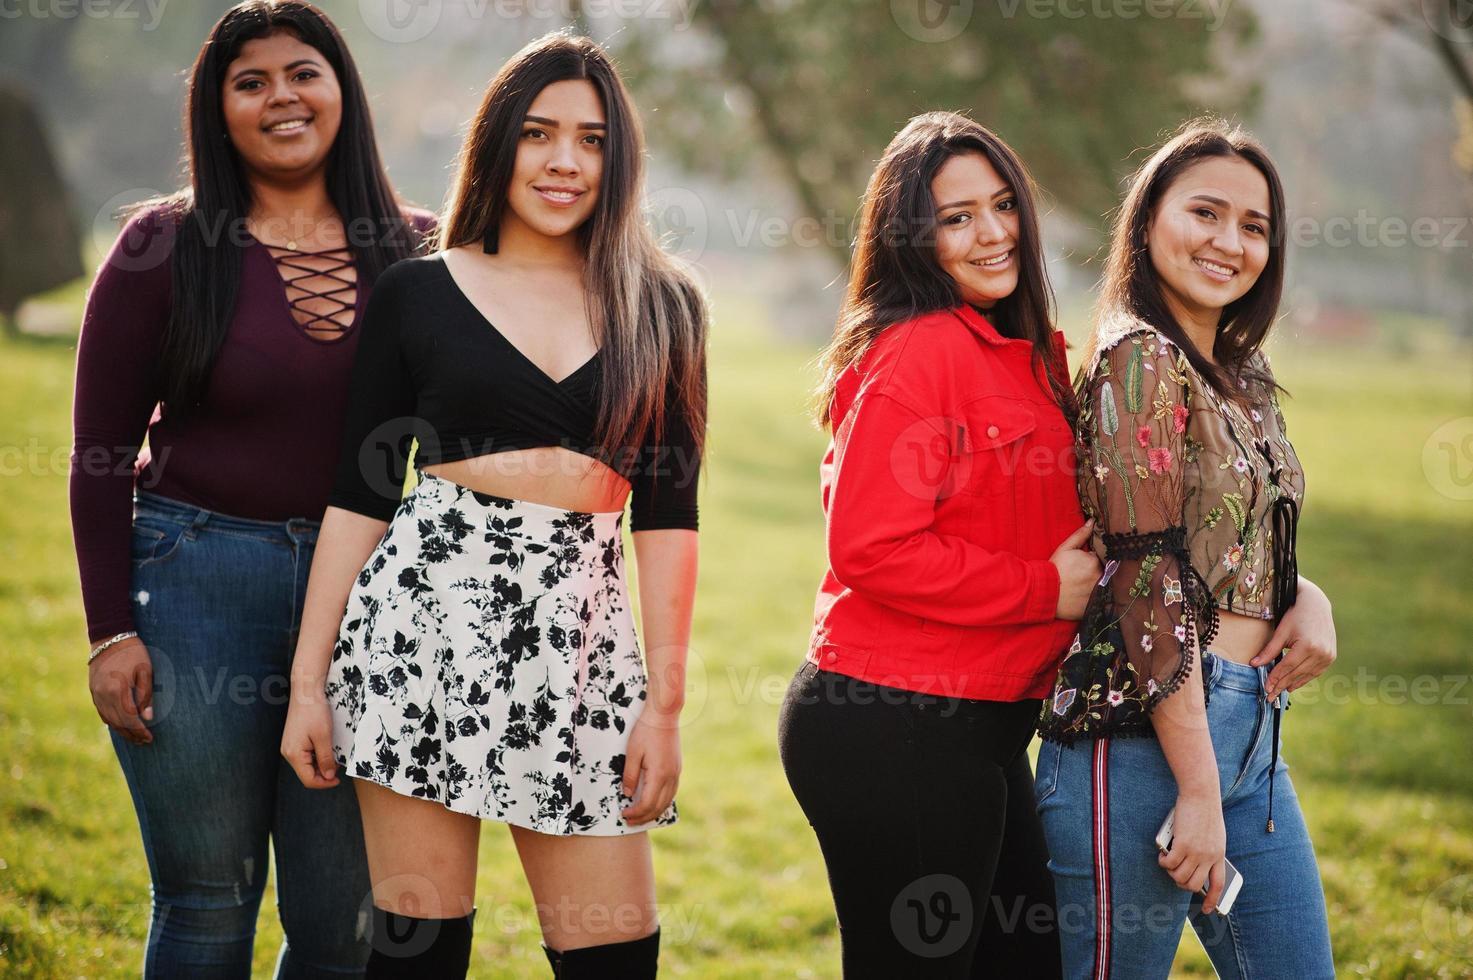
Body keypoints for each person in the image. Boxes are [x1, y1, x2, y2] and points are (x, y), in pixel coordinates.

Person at [279, 31, 707, 979]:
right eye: (540, 133)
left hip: (585, 655)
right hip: (417, 640)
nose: (564, 161)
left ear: (618, 159)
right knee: (420, 952)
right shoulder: (416, 294)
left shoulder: (662, 307)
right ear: (499, 142)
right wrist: (308, 684)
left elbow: (670, 523)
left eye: (592, 140)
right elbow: (359, 499)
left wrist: (663, 711)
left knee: (613, 955)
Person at [69, 2, 434, 976]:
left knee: (340, 928)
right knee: (204, 906)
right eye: (251, 80)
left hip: (364, 606)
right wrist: (110, 629)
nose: (283, 96)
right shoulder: (162, 247)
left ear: (343, 91)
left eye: (304, 72)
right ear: (218, 109)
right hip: (194, 585)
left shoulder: (419, 252)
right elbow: (100, 451)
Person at [777, 111, 1098, 978]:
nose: (991, 233)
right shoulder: (918, 352)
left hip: (978, 731)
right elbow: (871, 549)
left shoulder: (1018, 353)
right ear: (911, 237)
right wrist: (1045, 589)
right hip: (894, 725)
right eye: (956, 218)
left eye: (1002, 205)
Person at [1034, 119, 1338, 978]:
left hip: (1249, 732)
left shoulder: (1242, 374)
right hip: (1137, 740)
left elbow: (1228, 533)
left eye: (1253, 226)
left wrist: (1301, 594)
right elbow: (1144, 574)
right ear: (1147, 220)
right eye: (1205, 212)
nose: (1228, 242)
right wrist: (1196, 790)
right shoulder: (1136, 358)